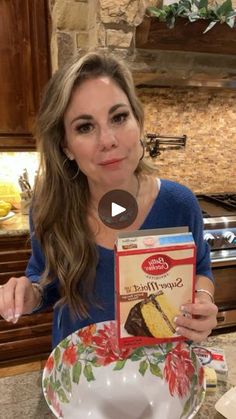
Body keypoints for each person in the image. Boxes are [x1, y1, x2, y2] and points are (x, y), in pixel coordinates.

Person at [0, 51, 217, 349]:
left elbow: (201, 270)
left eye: (118, 117)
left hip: (159, 371)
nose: (108, 140)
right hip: (81, 375)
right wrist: (28, 294)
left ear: (137, 122)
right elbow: (44, 282)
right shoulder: (50, 208)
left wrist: (203, 302)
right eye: (85, 127)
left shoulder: (179, 203)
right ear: (66, 146)